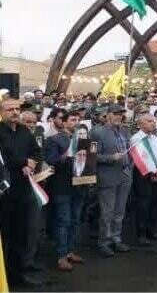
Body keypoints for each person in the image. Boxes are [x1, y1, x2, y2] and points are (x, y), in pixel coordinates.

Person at [0, 99, 44, 287]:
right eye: (10, 109)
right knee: (5, 236)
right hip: (5, 192)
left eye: (17, 109)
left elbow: (36, 151)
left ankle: (18, 275)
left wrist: (33, 162)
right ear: (1, 112)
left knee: (21, 234)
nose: (15, 112)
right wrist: (23, 163)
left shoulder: (24, 130)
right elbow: (4, 157)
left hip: (24, 190)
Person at [45, 110, 88, 271]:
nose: (76, 122)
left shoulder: (81, 139)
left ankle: (70, 251)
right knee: (64, 221)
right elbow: (51, 161)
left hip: (79, 184)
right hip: (62, 186)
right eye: (72, 119)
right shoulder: (54, 140)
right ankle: (61, 256)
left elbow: (88, 161)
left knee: (76, 220)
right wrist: (66, 155)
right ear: (63, 122)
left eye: (78, 119)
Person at [93, 104, 133, 257]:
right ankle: (104, 242)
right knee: (107, 213)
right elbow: (92, 156)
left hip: (125, 174)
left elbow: (130, 150)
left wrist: (130, 165)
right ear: (108, 114)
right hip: (107, 176)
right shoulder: (98, 132)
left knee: (120, 211)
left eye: (121, 114)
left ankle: (116, 239)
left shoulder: (124, 131)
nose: (119, 116)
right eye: (116, 113)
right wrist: (111, 158)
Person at [130, 114, 157, 246]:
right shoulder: (136, 139)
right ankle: (141, 233)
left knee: (155, 202)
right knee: (143, 204)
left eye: (153, 121)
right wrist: (152, 172)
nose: (153, 123)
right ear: (141, 124)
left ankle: (152, 229)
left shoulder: (154, 138)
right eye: (149, 121)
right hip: (143, 175)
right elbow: (141, 158)